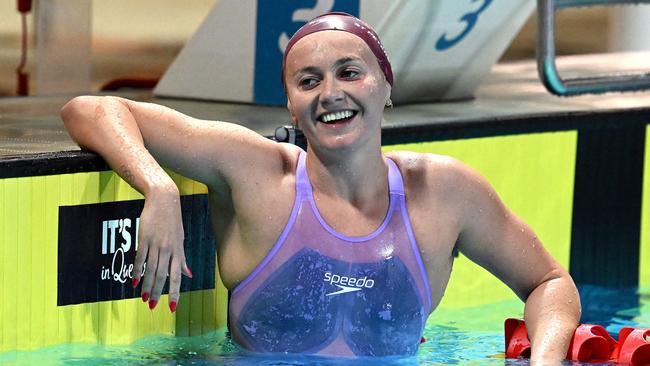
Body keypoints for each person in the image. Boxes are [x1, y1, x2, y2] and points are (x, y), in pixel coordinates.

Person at [61, 12, 580, 363]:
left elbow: (549, 283)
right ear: (290, 104)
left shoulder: (444, 193)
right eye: (308, 81)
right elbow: (92, 109)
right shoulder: (258, 173)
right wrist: (159, 187)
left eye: (349, 73)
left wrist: (547, 357)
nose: (330, 94)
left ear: (384, 85)